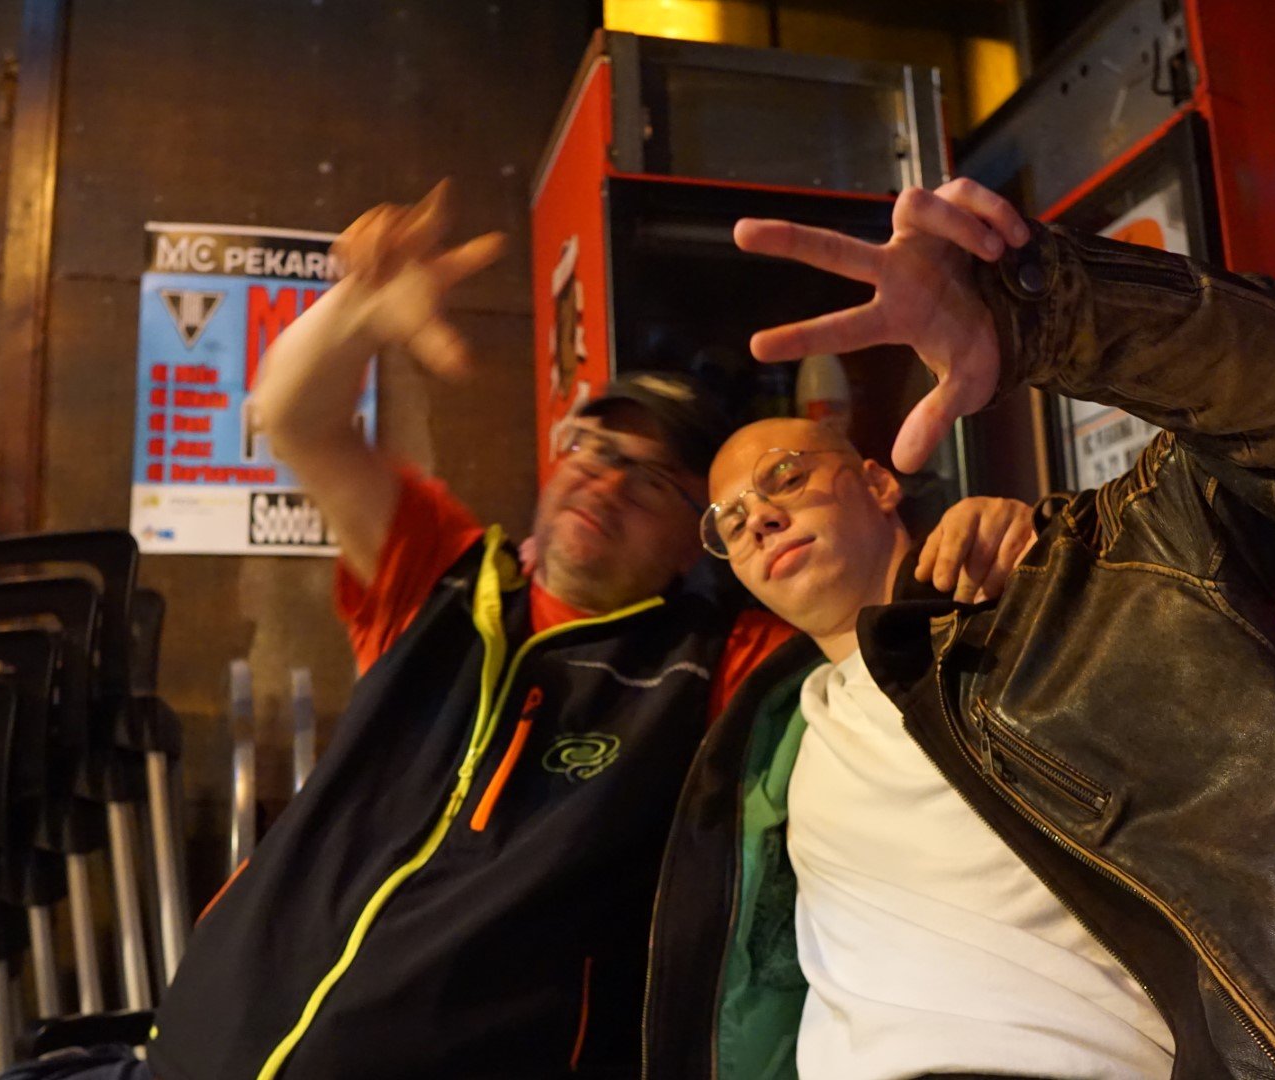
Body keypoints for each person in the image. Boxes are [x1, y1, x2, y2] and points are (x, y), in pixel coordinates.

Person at [131, 183, 1036, 1080]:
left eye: (650, 480)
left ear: (694, 544)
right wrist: (354, 312)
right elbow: (296, 417)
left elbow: (865, 610)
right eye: (593, 451)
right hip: (193, 1057)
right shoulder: (444, 580)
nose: (604, 483)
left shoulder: (713, 666)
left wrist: (987, 540)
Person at [639, 179, 1275, 1080]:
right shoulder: (763, 734)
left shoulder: (1072, 594)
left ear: (879, 482)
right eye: (728, 521)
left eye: (785, 477)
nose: (756, 517)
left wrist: (1036, 317)